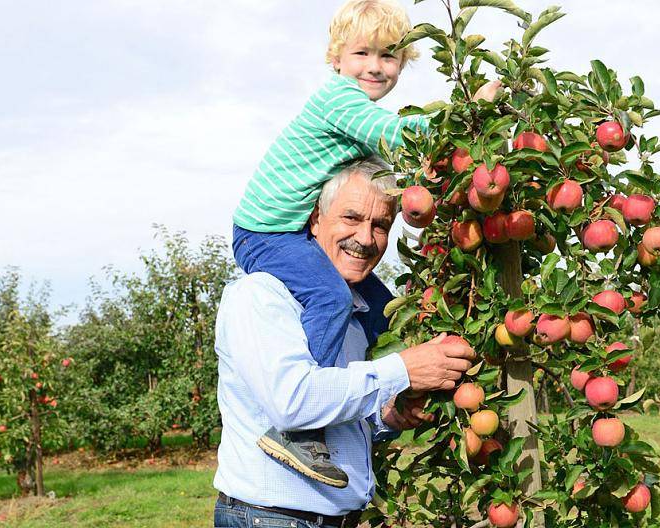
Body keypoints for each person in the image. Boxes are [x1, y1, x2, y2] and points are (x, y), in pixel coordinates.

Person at [231, 0, 499, 487]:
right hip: (266, 233)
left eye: (388, 56)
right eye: (361, 53)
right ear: (336, 59)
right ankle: (300, 431)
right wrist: (466, 117)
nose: (374, 66)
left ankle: (401, 384)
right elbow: (395, 135)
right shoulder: (338, 101)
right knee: (332, 297)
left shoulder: (353, 111)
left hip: (290, 232)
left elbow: (406, 171)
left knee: (382, 308)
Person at [213, 158, 475, 528]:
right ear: (314, 220)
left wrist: (386, 416)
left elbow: (336, 408)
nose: (365, 239)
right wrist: (402, 370)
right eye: (351, 218)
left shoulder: (356, 309)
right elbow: (293, 402)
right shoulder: (262, 295)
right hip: (271, 519)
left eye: (380, 225)